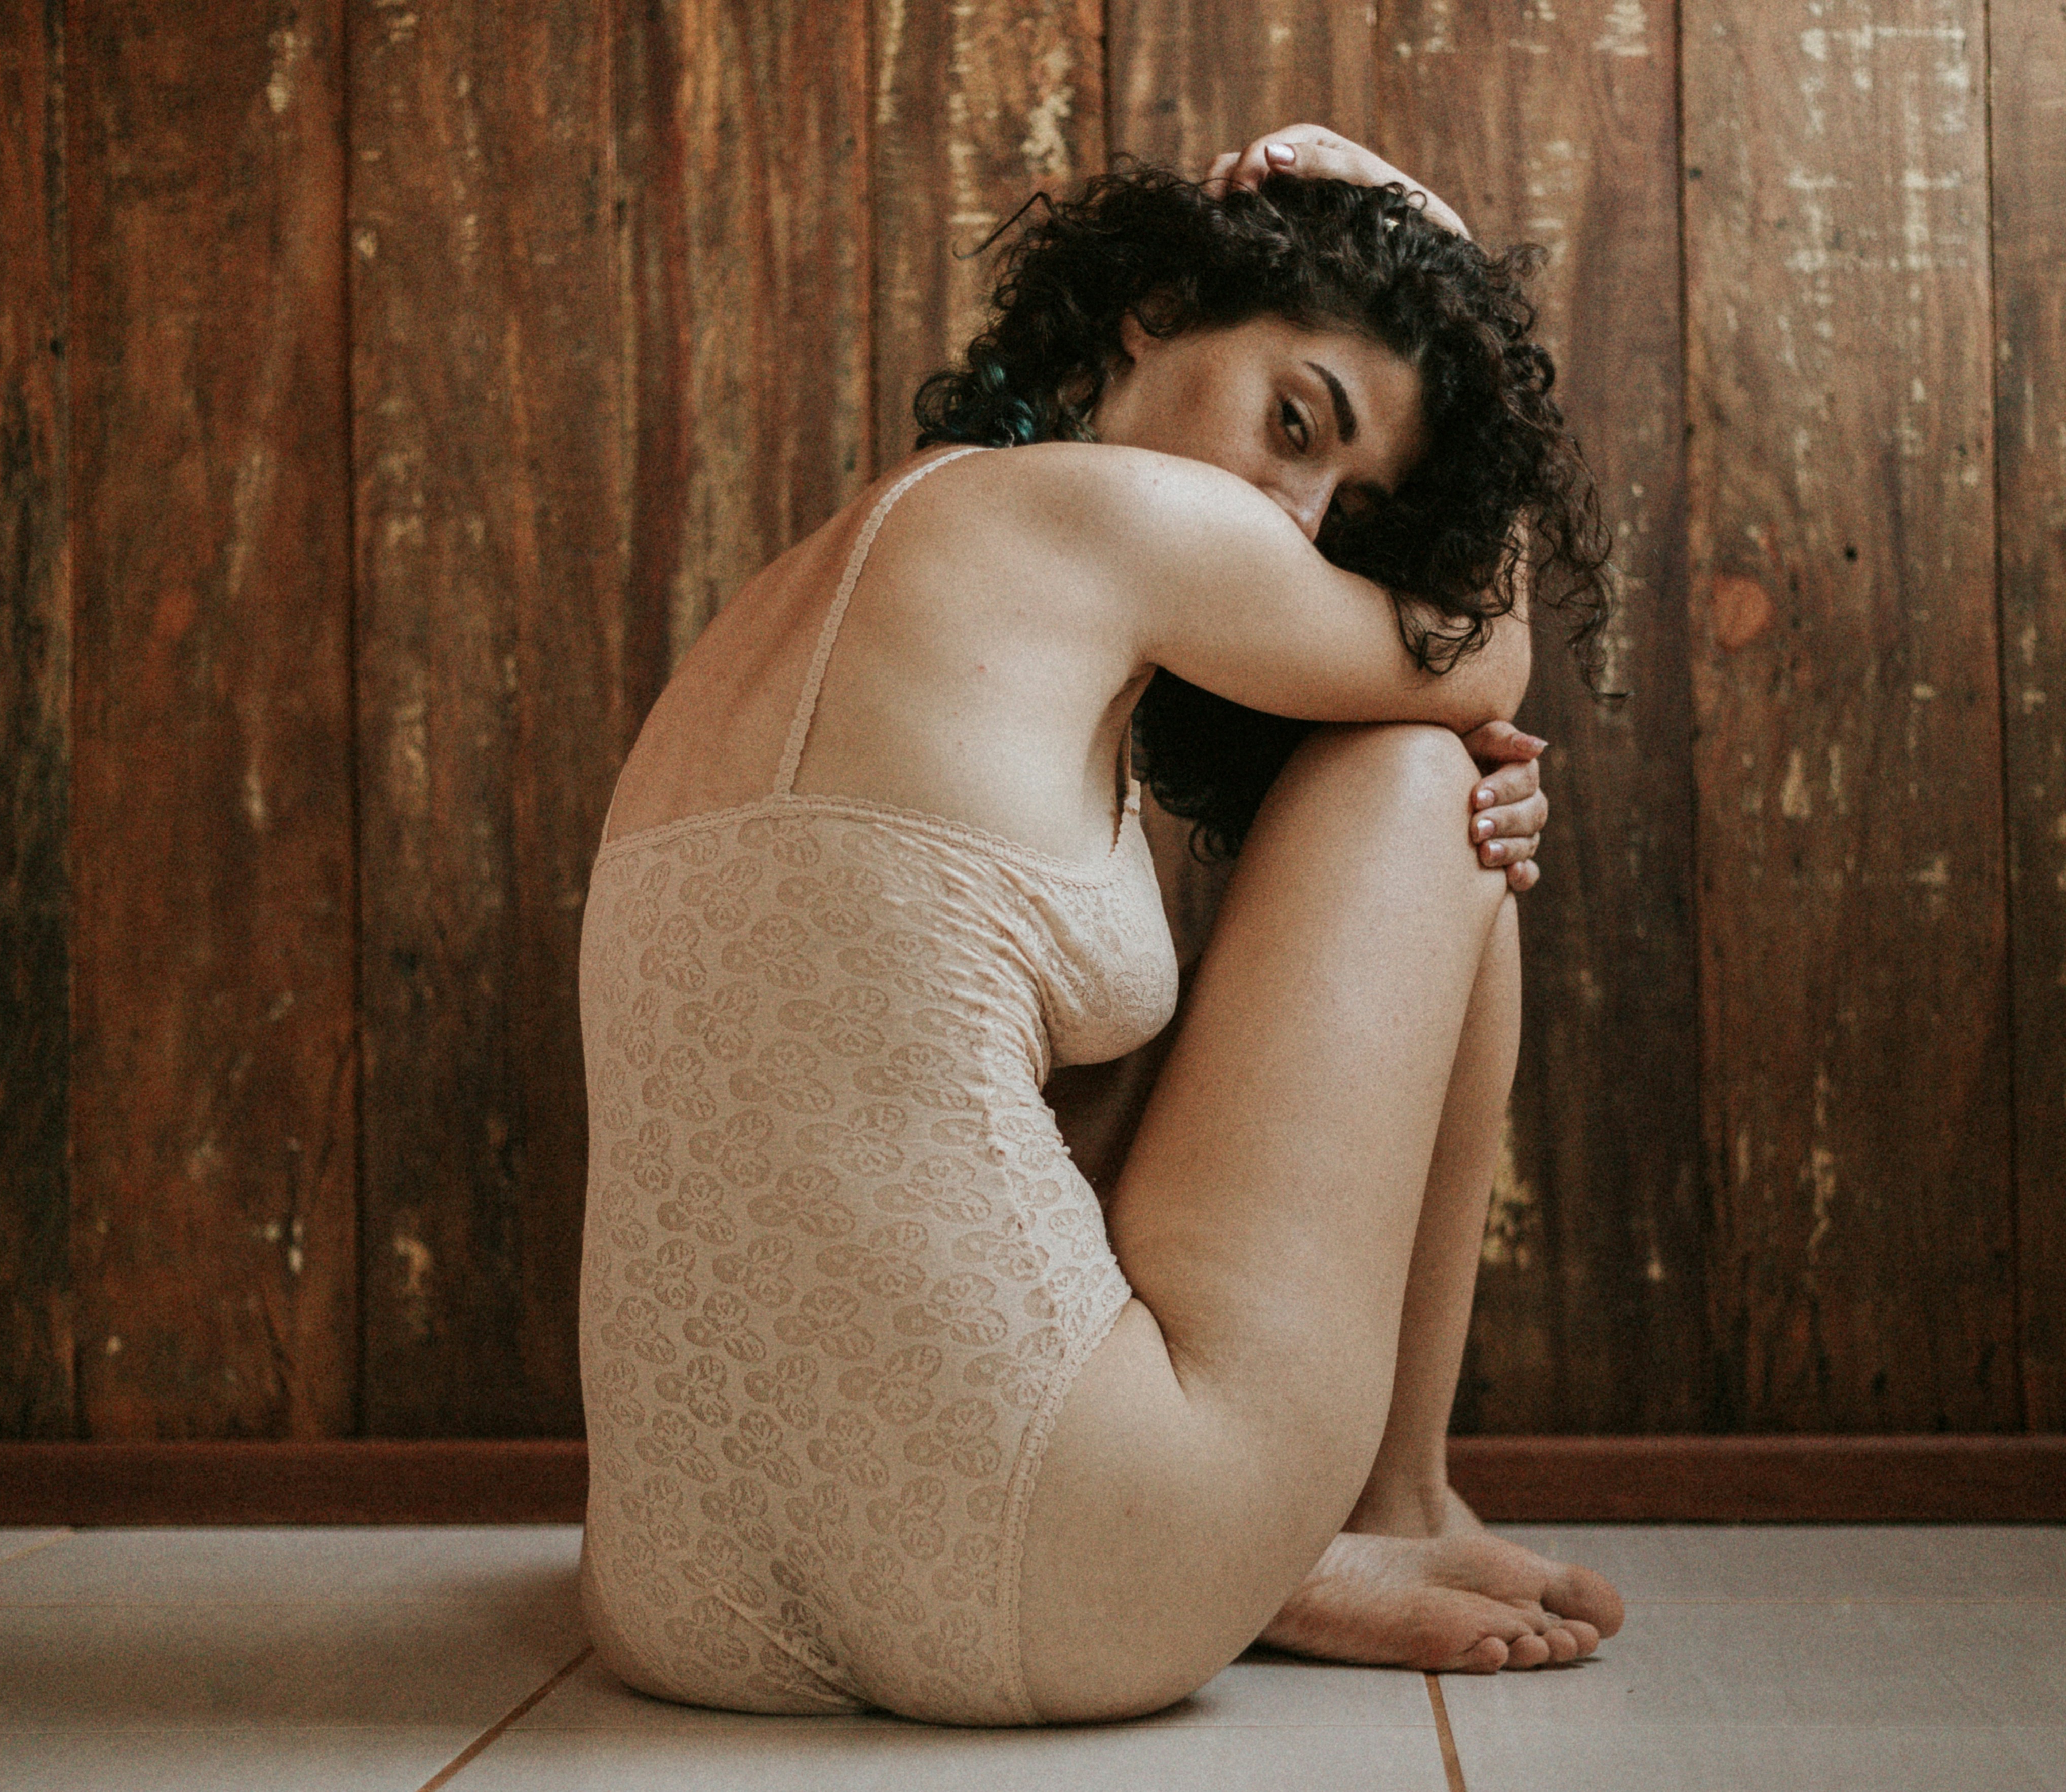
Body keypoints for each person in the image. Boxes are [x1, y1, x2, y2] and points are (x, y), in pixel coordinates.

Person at [576, 123, 1626, 1727]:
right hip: (1049, 1572)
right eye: (1296, 421)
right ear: (1145, 306)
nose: (1294, 516)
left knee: (1428, 778)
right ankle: (1384, 1509)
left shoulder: (827, 582)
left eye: (1347, 510)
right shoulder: (1100, 514)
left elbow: (937, 1156)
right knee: (1430, 771)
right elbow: (1476, 662)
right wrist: (1444, 251)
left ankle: (1323, 1526)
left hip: (676, 1593)